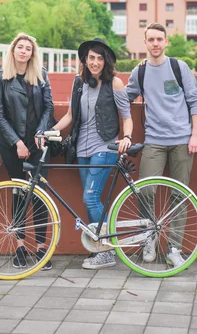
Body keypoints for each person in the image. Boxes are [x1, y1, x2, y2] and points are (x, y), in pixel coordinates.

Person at [126, 23, 197, 267]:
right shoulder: (139, 72)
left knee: (178, 195)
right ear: (145, 43)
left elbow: (194, 100)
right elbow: (122, 97)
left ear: (166, 41)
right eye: (151, 39)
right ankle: (149, 239)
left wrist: (195, 135)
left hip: (182, 140)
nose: (156, 43)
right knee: (145, 191)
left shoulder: (179, 67)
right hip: (154, 141)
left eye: (160, 39)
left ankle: (174, 248)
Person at [54, 37, 133, 270]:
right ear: (85, 60)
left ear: (105, 61)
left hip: (105, 147)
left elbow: (126, 116)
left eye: (100, 58)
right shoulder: (78, 83)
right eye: (91, 58)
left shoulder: (115, 83)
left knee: (90, 197)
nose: (95, 62)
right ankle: (99, 247)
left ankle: (107, 251)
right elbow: (70, 115)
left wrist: (127, 138)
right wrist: (50, 130)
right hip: (81, 149)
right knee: (91, 200)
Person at [0, 32, 55, 270]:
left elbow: (49, 107)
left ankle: (41, 247)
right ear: (13, 50)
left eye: (28, 48)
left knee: (39, 195)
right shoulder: (2, 78)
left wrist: (40, 133)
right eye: (20, 47)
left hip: (39, 144)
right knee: (19, 193)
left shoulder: (41, 76)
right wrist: (16, 142)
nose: (24, 51)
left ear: (32, 53)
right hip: (12, 146)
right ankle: (19, 246)